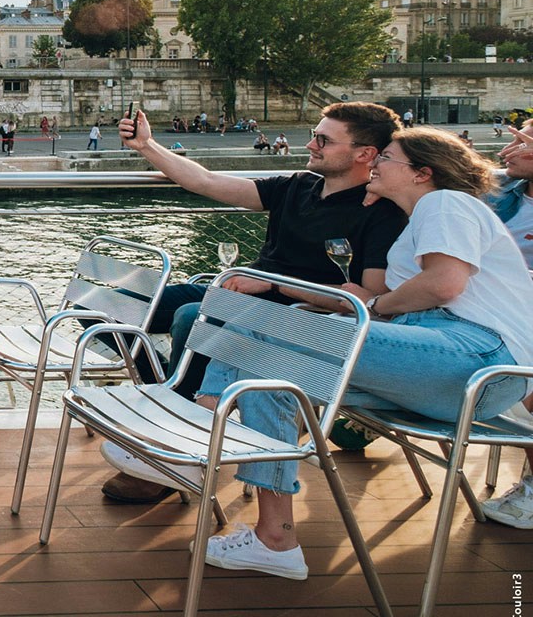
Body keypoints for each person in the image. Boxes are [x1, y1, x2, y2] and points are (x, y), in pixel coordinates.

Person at [187, 128, 533, 580]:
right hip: (439, 367)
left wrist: (370, 306)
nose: (375, 165)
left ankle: (196, 440)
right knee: (273, 381)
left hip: (476, 360)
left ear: (422, 173)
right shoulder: (423, 215)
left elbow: (443, 284)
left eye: (386, 158)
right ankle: (275, 540)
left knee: (263, 329)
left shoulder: (446, 203)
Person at [100, 103, 407, 504]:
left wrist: (274, 285)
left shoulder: (381, 213)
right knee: (110, 306)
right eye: (316, 134)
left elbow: (371, 301)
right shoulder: (298, 185)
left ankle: (173, 453)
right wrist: (147, 146)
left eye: (324, 139)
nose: (310, 143)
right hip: (242, 296)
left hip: (298, 318)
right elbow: (207, 182)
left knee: (193, 317)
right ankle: (168, 395)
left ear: (365, 153)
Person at [477, 119, 533, 528]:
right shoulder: (502, 193)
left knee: (524, 372)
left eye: (521, 143)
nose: (505, 152)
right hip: (500, 308)